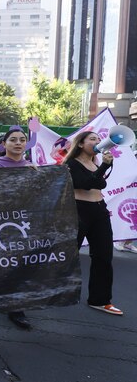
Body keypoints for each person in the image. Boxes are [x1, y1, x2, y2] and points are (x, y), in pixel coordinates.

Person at [62, 132, 123, 316]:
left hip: (99, 211)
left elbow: (99, 184)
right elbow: (84, 184)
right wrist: (104, 165)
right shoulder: (72, 164)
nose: (97, 142)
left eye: (98, 139)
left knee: (103, 256)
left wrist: (104, 165)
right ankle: (48, 290)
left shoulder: (96, 163)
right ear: (80, 144)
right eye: (93, 139)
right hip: (79, 210)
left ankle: (100, 299)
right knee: (68, 255)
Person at [0, 126, 36, 330]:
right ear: (4, 144)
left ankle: (16, 305)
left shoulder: (32, 166)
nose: (18, 143)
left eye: (22, 140)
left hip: (26, 221)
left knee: (21, 263)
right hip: (4, 221)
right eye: (13, 140)